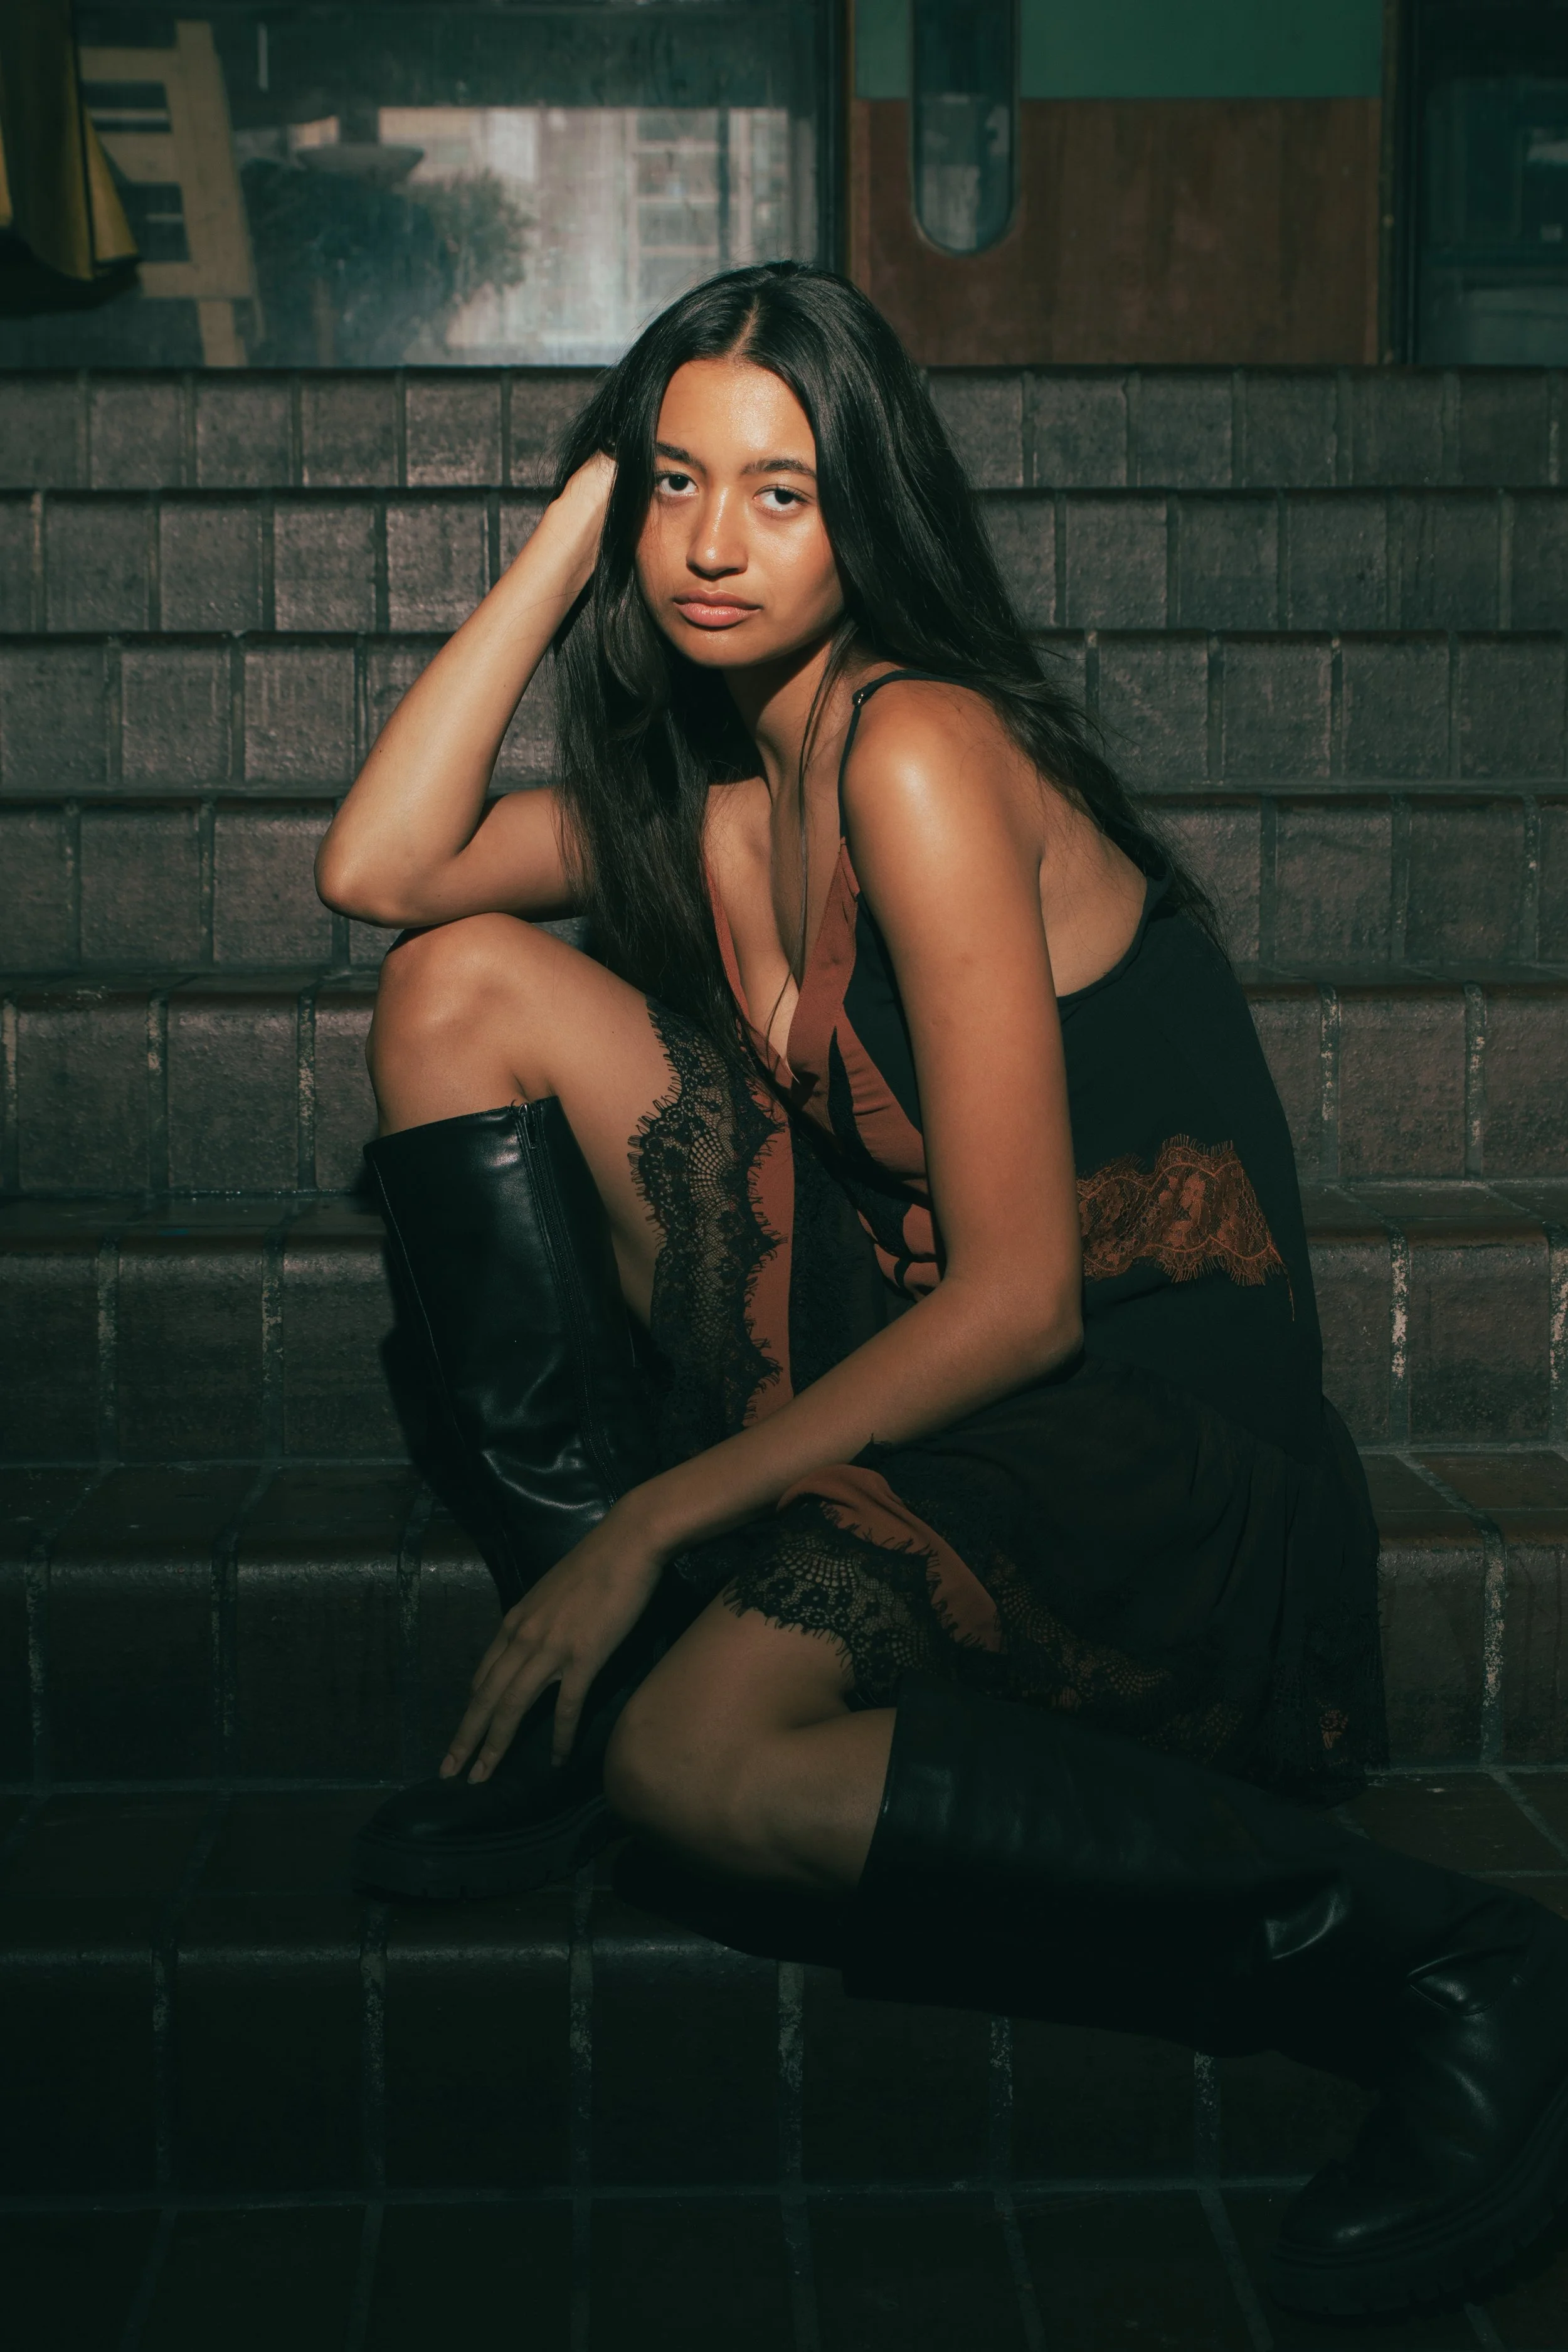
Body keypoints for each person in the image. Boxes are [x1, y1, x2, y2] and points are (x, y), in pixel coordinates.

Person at [315, 262, 1568, 2316]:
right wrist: (563, 532)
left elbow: (1020, 1297)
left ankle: (1457, 1964)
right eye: (671, 483)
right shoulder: (725, 806)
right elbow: (378, 872)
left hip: (1140, 1419)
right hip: (910, 1344)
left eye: (780, 492)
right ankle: (593, 1680)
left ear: (868, 511)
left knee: (710, 1775)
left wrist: (651, 1515)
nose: (711, 543)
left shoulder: (918, 747)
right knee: (452, 984)